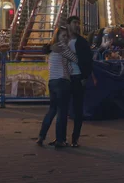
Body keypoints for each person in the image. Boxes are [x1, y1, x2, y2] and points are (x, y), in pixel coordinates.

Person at [36, 27, 78, 148]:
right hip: (62, 81)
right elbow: (75, 59)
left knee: (52, 110)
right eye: (63, 36)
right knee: (62, 112)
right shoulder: (62, 47)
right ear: (58, 36)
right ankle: (60, 139)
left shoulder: (52, 49)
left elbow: (66, 64)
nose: (65, 38)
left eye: (66, 36)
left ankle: (41, 136)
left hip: (52, 82)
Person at [63, 15, 92, 148]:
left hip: (77, 76)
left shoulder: (82, 42)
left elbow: (88, 60)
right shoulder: (63, 40)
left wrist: (85, 77)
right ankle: (61, 137)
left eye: (78, 23)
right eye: (74, 22)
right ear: (68, 25)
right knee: (62, 108)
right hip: (65, 78)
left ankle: (75, 138)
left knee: (77, 108)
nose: (77, 25)